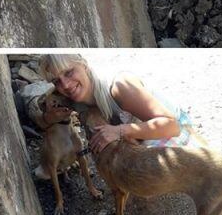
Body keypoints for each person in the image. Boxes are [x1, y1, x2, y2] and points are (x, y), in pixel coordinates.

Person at [38, 54, 202, 152]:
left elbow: (172, 126)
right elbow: (41, 120)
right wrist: (48, 118)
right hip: (142, 137)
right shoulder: (68, 97)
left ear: (83, 65)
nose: (65, 85)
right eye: (56, 81)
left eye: (68, 72)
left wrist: (119, 131)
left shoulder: (119, 86)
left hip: (173, 132)